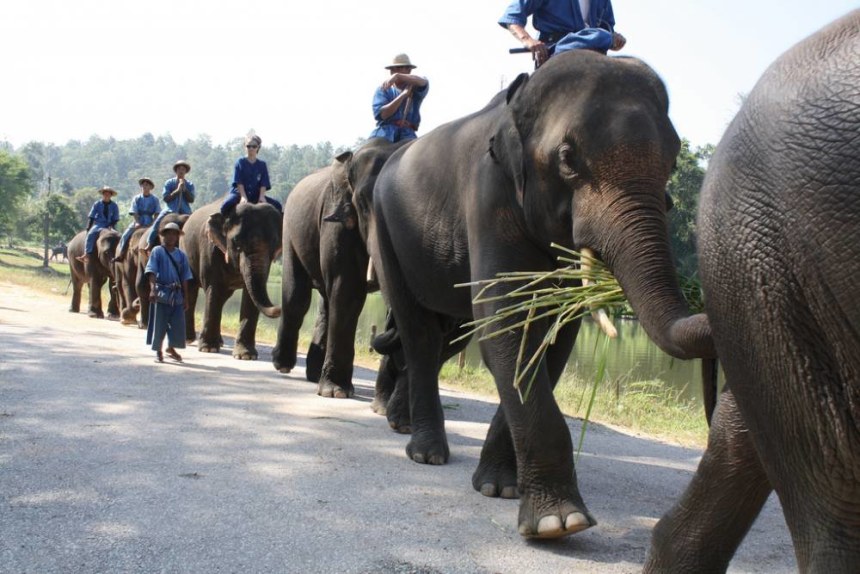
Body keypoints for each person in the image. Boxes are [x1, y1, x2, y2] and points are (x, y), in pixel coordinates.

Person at [499, 0, 626, 67]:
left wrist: (614, 40)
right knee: (600, 36)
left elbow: (608, 28)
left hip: (594, 54)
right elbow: (512, 17)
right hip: (556, 51)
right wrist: (528, 40)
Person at [144, 222, 193, 363]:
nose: (171, 237)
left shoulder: (181, 255)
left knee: (177, 324)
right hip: (162, 293)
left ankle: (171, 348)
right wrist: (153, 290)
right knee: (160, 323)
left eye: (175, 234)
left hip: (176, 295)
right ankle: (158, 350)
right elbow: (151, 271)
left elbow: (185, 277)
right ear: (163, 235)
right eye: (169, 233)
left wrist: (186, 298)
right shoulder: (157, 251)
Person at [369, 54, 429, 143]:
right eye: (392, 69)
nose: (394, 71)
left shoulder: (415, 88)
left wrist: (398, 76)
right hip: (384, 134)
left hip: (408, 135)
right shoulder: (383, 89)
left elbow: (424, 82)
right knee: (366, 154)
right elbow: (383, 114)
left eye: (399, 68)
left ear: (409, 70)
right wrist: (403, 95)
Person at [219, 134, 282, 215]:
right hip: (238, 194)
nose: (251, 148)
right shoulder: (240, 162)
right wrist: (243, 197)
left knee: (278, 206)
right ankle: (220, 225)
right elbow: (239, 182)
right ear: (245, 147)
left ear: (258, 147)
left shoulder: (262, 165)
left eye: (254, 146)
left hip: (256, 195)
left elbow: (264, 183)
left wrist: (262, 197)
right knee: (226, 205)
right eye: (248, 146)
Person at [145, 160, 195, 251]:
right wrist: (177, 190)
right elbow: (166, 198)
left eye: (183, 169)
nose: (181, 171)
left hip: (185, 210)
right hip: (170, 209)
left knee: (194, 225)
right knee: (157, 223)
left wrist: (185, 190)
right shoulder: (169, 183)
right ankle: (149, 242)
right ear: (176, 171)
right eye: (179, 169)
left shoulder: (189, 184)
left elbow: (191, 200)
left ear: (185, 171)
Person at [115, 177, 161, 262]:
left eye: (147, 185)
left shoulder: (155, 199)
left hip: (150, 220)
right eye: (143, 185)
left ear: (150, 187)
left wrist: (153, 224)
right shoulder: (137, 198)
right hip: (139, 219)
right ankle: (121, 253)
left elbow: (157, 213)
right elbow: (134, 211)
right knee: (126, 234)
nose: (144, 186)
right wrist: (137, 222)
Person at [76, 186, 120, 264]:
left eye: (108, 193)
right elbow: (92, 216)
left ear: (111, 195)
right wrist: (89, 227)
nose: (106, 195)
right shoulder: (97, 204)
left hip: (109, 225)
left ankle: (120, 254)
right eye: (105, 193)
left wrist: (112, 224)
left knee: (118, 236)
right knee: (90, 235)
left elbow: (116, 218)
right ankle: (87, 254)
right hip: (99, 224)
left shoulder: (114, 205)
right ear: (103, 194)